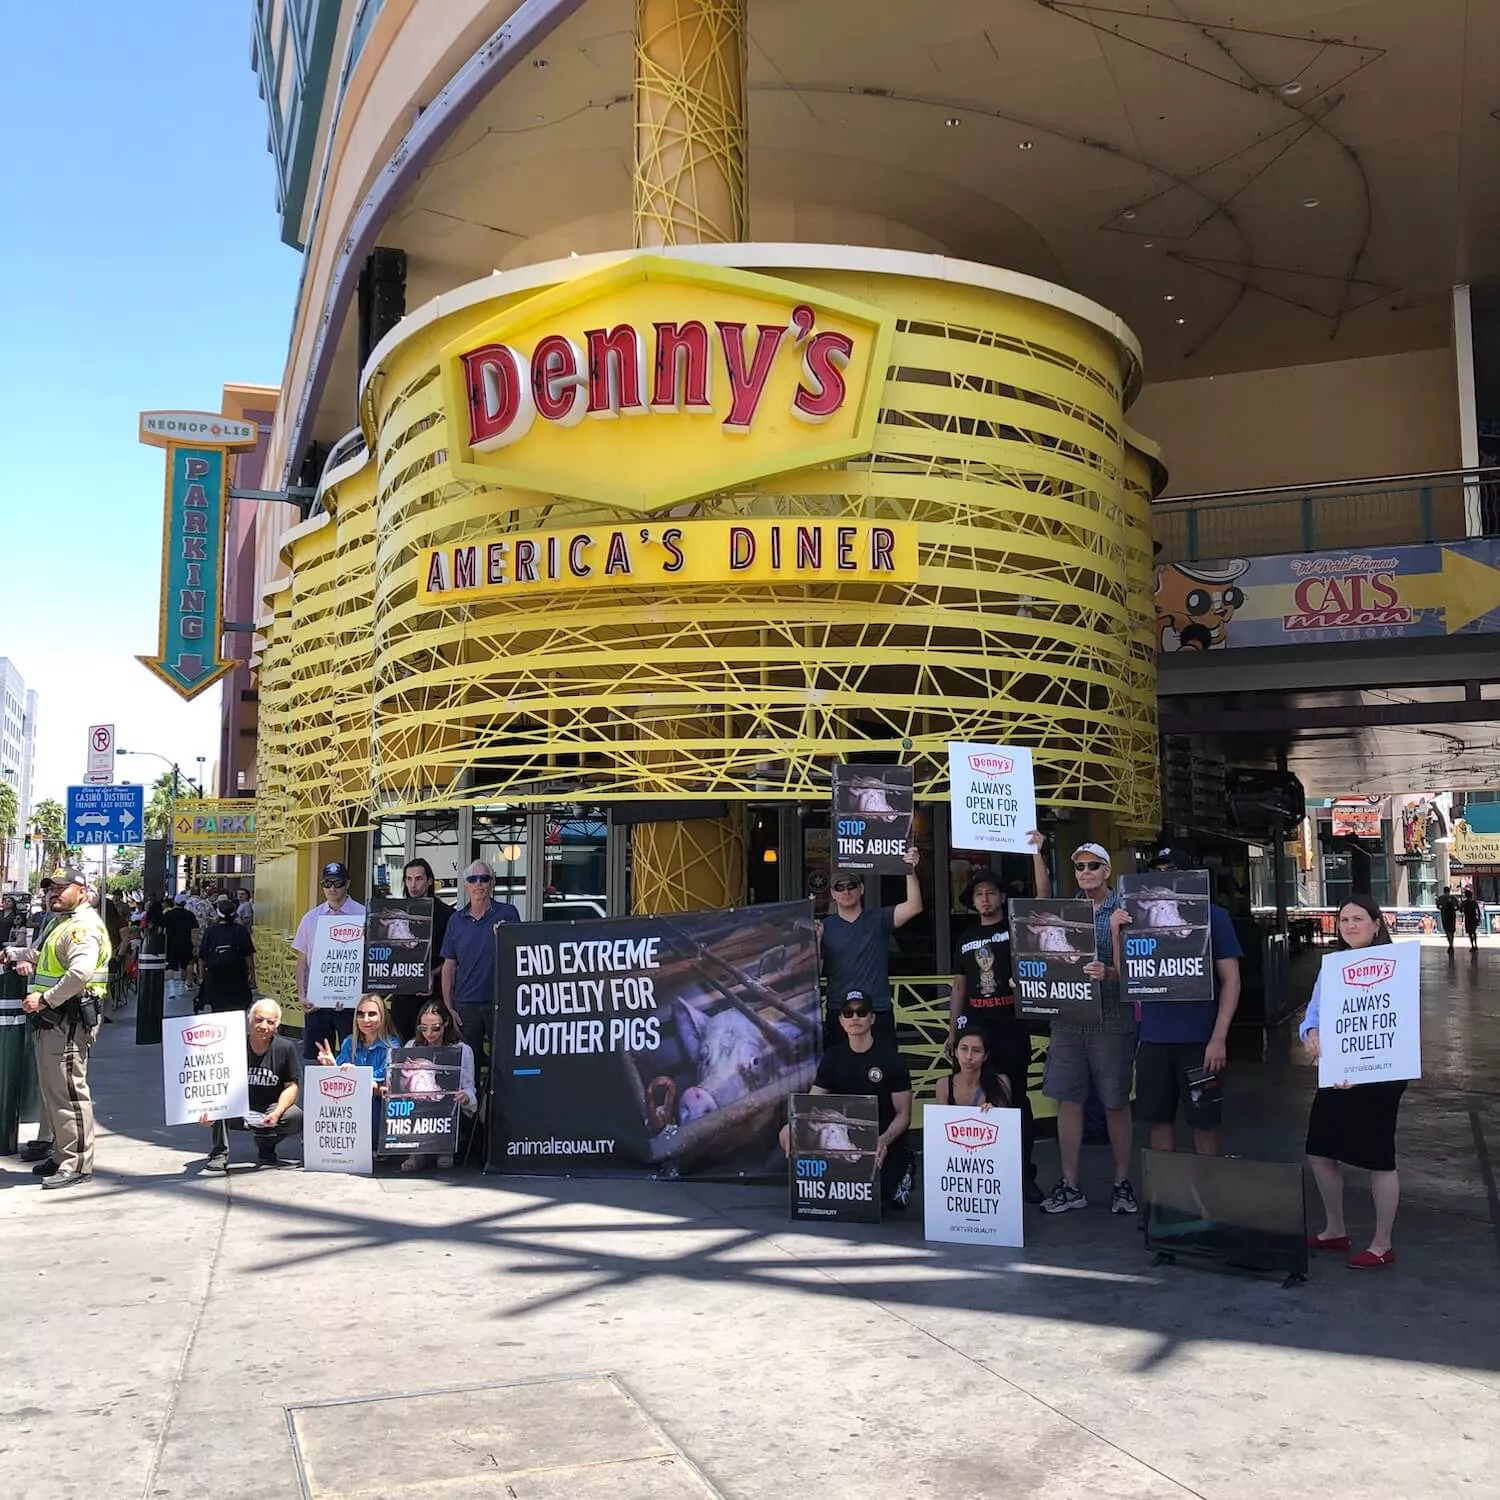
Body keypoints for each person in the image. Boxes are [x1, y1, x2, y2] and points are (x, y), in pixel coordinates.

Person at [1110, 845, 1242, 1157]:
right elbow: (1126, 976)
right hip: (1153, 1040)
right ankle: (1167, 1199)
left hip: (1200, 1041)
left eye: (1171, 871)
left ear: (1187, 875)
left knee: (1204, 1121)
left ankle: (1207, 1196)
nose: (1163, 877)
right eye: (1157, 871)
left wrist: (1219, 1038)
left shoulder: (1214, 917)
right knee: (1157, 1120)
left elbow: (1232, 980)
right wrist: (1116, 934)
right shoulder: (1136, 919)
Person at [1300, 895, 1407, 1268]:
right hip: (1337, 1072)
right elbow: (1311, 1014)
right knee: (1320, 1151)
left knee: (1379, 1159)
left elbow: (1400, 1022)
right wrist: (1310, 1033)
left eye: (1357, 918)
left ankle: (1382, 1244)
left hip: (1382, 1075)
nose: (1349, 925)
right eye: (1343, 919)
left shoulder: (1398, 965)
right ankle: (1335, 1229)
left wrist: (1364, 1069)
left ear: (1377, 924)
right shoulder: (1331, 967)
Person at [945, 832, 1051, 1203]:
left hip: (1010, 1023)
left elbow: (1043, 898)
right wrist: (951, 1031)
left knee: (1016, 1098)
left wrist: (1037, 852)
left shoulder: (1016, 926)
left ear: (1001, 897)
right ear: (972, 902)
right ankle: (978, 1172)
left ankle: (1023, 1175)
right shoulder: (966, 938)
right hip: (975, 1026)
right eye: (979, 894)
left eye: (990, 892)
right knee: (972, 1098)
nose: (985, 898)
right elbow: (958, 987)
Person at [1040, 843, 1138, 1217]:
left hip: (1111, 1020)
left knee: (1115, 1101)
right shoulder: (1065, 911)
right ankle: (1070, 1183)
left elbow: (1136, 972)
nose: (1085, 871)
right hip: (1068, 1019)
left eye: (1093, 865)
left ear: (1107, 870)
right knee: (1068, 1099)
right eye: (1079, 866)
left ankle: (1121, 1183)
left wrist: (1109, 967)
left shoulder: (1124, 910)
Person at [4, 867, 111, 1190]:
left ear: (82, 890)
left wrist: (45, 999)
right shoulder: (61, 924)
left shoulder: (81, 928)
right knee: (54, 1091)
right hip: (56, 1021)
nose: (54, 893)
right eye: (51, 888)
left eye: (62, 888)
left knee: (68, 1093)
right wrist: (14, 954)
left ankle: (76, 1161)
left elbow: (79, 973)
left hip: (67, 1020)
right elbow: (44, 956)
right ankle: (61, 1152)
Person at [779, 993, 915, 1209]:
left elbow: (904, 1115)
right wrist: (791, 1123)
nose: (855, 1018)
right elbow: (813, 1100)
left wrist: (883, 1140)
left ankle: (905, 1168)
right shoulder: (833, 1057)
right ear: (841, 1021)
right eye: (848, 1013)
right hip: (845, 1138)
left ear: (872, 1018)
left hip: (884, 1141)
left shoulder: (891, 1059)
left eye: (862, 1012)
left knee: (880, 1197)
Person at [818, 845, 922, 1046]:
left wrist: (910, 869)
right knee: (840, 1075)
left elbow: (914, 906)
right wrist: (815, 941)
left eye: (851, 885)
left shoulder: (879, 919)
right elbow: (815, 973)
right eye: (840, 887)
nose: (846, 891)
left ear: (861, 889)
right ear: (832, 893)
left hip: (877, 1009)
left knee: (884, 1072)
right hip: (841, 1012)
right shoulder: (823, 927)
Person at [205, 999, 303, 1171]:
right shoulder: (232, 1046)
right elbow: (216, 1083)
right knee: (217, 1102)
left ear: (276, 1026)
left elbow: (292, 1086)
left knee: (296, 1117)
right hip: (237, 1107)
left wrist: (278, 1112)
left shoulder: (285, 1048)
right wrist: (207, 1112)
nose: (263, 1026)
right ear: (249, 1020)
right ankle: (219, 1152)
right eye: (259, 1020)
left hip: (269, 1107)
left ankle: (266, 1144)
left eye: (270, 1022)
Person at [439, 859, 520, 1065]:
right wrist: (449, 1007)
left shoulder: (508, 913)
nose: (478, 884)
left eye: (484, 878)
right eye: (472, 879)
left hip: (500, 1001)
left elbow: (520, 953)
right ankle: (472, 1099)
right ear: (466, 885)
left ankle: (498, 1100)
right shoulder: (455, 920)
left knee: (502, 1063)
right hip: (466, 1003)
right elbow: (449, 966)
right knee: (468, 1064)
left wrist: (506, 936)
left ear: (492, 883)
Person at [293, 861, 367, 1062]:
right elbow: (302, 961)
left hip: (351, 1003)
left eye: (338, 883)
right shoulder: (310, 918)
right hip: (318, 1003)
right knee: (317, 1061)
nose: (332, 888)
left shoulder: (364, 916)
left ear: (348, 884)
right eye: (327, 883)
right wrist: (301, 995)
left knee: (353, 1059)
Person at [398, 1000, 479, 1173]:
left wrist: (465, 1096)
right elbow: (399, 1084)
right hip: (418, 1107)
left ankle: (445, 1149)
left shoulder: (462, 1050)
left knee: (445, 1103)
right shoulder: (411, 1047)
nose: (429, 1033)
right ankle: (416, 1154)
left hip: (447, 1109)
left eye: (435, 1028)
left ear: (446, 1023)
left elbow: (470, 1088)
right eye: (423, 1028)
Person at [393, 857, 455, 1039]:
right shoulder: (395, 913)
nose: (413, 885)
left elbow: (453, 958)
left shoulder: (447, 915)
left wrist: (431, 974)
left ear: (429, 881)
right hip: (402, 997)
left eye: (418, 879)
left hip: (434, 996)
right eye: (409, 879)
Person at [197, 895, 257, 1014]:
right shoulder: (241, 930)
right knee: (238, 1007)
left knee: (218, 1007)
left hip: (215, 974)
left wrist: (202, 977)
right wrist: (252, 975)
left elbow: (202, 956)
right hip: (237, 973)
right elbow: (248, 955)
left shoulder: (210, 931)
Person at [935, 1029, 1011, 1109]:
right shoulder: (943, 1085)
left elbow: (1004, 1118)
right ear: (956, 1052)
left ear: (985, 1056)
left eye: (976, 1051)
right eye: (964, 1049)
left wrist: (994, 1112)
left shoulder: (1000, 1082)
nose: (969, 1057)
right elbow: (943, 1119)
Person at [161, 895, 199, 985]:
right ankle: (182, 986)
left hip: (171, 943)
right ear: (184, 903)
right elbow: (194, 930)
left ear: (175, 902)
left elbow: (162, 930)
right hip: (186, 943)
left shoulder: (168, 914)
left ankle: (171, 988)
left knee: (170, 965)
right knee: (185, 965)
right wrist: (195, 944)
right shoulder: (190, 915)